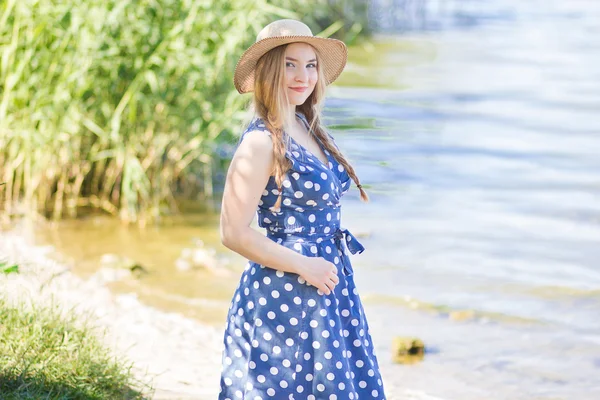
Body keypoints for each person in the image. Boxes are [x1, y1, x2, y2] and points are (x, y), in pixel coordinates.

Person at [218, 19, 386, 399]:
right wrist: (304, 265)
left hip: (328, 282)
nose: (303, 76)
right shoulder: (260, 142)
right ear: (268, 71)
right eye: (290, 64)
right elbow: (232, 232)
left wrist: (319, 268)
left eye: (310, 65)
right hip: (285, 292)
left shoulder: (306, 127)